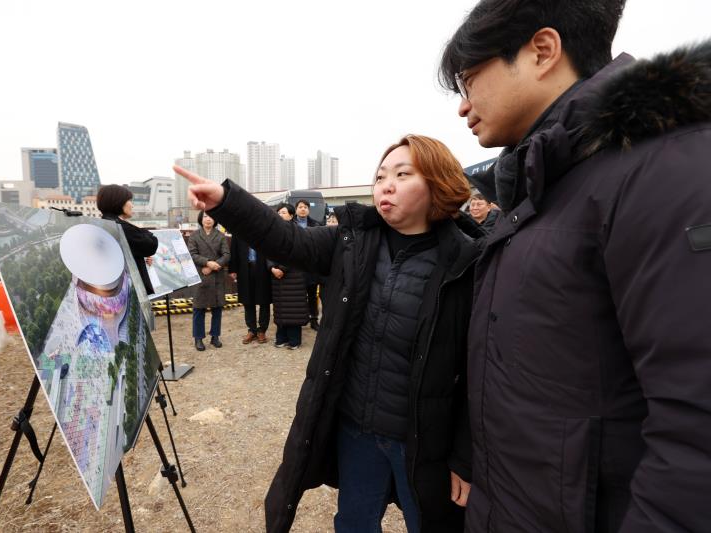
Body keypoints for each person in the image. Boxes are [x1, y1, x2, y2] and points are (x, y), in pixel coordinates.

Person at [440, 1, 711, 531]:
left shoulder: (664, 169)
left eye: (470, 80)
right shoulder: (547, 184)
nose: (463, 106)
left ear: (542, 51)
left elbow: (696, 434)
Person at [175, 134, 483, 533]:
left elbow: (481, 371)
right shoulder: (352, 243)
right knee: (353, 523)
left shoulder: (468, 262)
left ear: (438, 183)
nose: (385, 184)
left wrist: (465, 456)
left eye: (403, 174)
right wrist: (226, 201)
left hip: (426, 441)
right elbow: (286, 239)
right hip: (358, 426)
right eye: (381, 175)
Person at [97, 184, 158, 295]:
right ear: (118, 202)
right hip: (129, 290)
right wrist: (139, 229)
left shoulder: (102, 224)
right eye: (129, 200)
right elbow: (151, 244)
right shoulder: (120, 227)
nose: (132, 205)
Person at [186, 211, 230, 351]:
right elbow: (192, 254)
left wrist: (214, 265)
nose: (208, 219)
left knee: (217, 308)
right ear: (200, 219)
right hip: (201, 276)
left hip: (216, 275)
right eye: (205, 216)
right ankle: (198, 338)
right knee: (199, 308)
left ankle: (215, 336)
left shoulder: (221, 236)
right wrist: (206, 263)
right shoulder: (194, 236)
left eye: (211, 216)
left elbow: (226, 254)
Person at [268, 203, 308, 350]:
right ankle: (281, 337)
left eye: (284, 212)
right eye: (279, 212)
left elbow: (298, 252)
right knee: (280, 309)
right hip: (277, 276)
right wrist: (271, 267)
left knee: (293, 309)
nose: (280, 215)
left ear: (291, 215)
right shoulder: (271, 232)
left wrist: (282, 269)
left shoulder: (297, 231)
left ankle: (294, 340)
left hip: (293, 275)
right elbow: (266, 251)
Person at [229, 234, 272, 344]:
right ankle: (252, 330)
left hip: (263, 268)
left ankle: (262, 330)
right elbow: (233, 250)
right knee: (247, 301)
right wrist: (233, 269)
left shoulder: (264, 228)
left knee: (264, 300)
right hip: (244, 268)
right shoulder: (238, 229)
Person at [293, 199, 322, 330]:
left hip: (311, 265)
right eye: (300, 207)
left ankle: (314, 319)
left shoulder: (316, 224)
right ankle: (299, 318)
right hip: (295, 265)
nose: (303, 209)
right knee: (298, 294)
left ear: (308, 210)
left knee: (312, 294)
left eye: (305, 207)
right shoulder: (290, 224)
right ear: (296, 209)